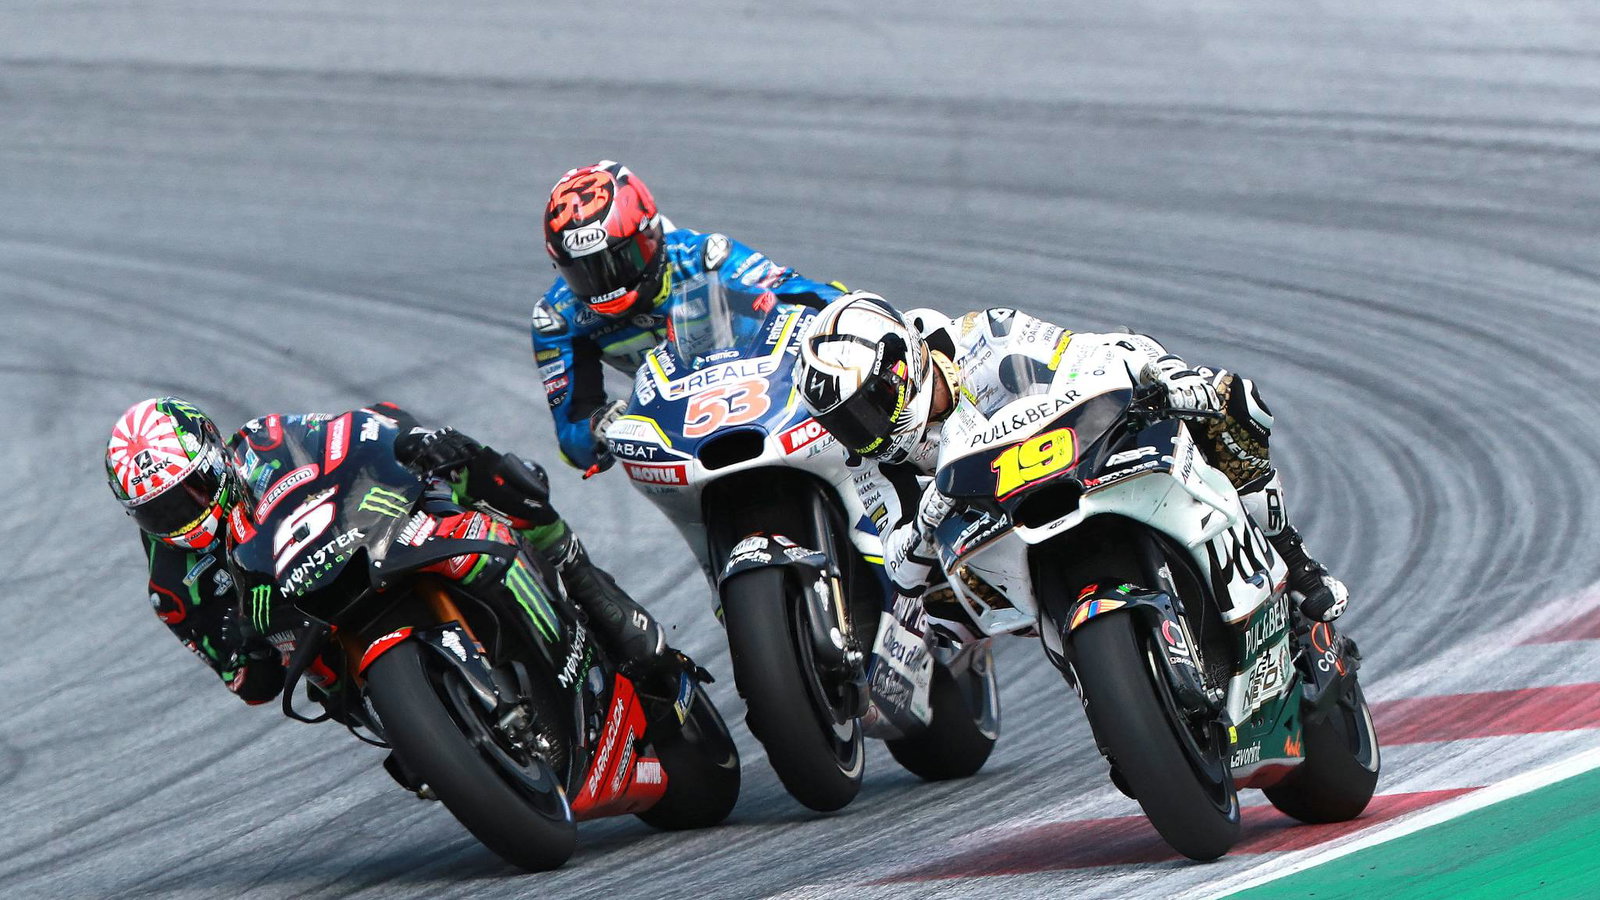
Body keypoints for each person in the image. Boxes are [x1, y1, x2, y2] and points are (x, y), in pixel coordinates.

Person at [792, 293, 1350, 643]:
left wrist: (1166, 374)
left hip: (1079, 455)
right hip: (994, 529)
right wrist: (924, 522)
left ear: (903, 366)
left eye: (870, 408)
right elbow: (898, 569)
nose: (868, 433)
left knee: (1230, 400)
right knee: (937, 621)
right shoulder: (871, 460)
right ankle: (1099, 672)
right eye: (847, 424)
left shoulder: (985, 337)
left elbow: (1093, 352)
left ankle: (1292, 557)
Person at [104, 396, 686, 712]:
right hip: (315, 630)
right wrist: (252, 649)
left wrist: (411, 442)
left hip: (361, 543)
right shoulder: (171, 586)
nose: (182, 514)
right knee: (330, 693)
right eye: (159, 511)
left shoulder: (262, 441)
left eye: (190, 491)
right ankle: (432, 738)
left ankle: (585, 585)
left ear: (212, 457)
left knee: (471, 474)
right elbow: (247, 681)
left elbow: (352, 430)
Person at [533, 160, 847, 471]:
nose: (607, 282)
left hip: (768, 395)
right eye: (583, 272)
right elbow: (573, 440)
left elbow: (801, 292)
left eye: (621, 260)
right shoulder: (557, 318)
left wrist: (848, 310)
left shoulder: (706, 258)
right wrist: (597, 426)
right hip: (678, 436)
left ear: (650, 234)